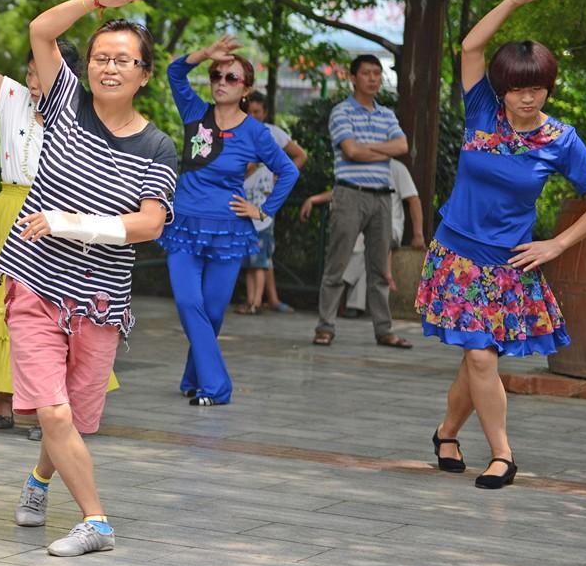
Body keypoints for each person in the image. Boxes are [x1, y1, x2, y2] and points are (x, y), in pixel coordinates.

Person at [0, 0, 177, 557]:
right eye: (101, 58)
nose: (109, 68)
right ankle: (96, 522)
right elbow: (42, 32)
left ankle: (38, 481)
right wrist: (100, 1)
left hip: (99, 300)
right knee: (51, 408)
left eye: (123, 60)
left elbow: (149, 225)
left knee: (69, 413)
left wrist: (70, 223)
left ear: (144, 74)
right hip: (34, 282)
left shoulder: (158, 147)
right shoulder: (64, 101)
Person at [418, 0, 586, 489]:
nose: (526, 96)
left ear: (548, 87)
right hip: (455, 253)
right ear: (502, 88)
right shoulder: (481, 111)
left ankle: (447, 432)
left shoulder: (560, 140)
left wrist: (558, 244)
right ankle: (502, 454)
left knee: (479, 354)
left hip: (507, 264)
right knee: (479, 353)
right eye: (517, 87)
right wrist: (517, 1)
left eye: (536, 87)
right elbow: (470, 47)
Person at [0, 0, 118, 439]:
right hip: (9, 208)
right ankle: (6, 399)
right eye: (30, 72)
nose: (33, 81)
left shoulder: (85, 115)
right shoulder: (12, 99)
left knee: (51, 304)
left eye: (42, 73)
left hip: (59, 212)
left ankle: (52, 406)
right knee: (4, 303)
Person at [160, 38, 299, 406]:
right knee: (190, 303)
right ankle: (217, 387)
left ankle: (195, 377)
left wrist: (264, 210)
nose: (221, 81)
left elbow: (287, 171)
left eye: (231, 77)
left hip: (229, 231)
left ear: (246, 88)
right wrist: (205, 53)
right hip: (185, 227)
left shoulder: (256, 132)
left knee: (214, 310)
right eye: (216, 75)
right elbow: (175, 72)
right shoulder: (194, 112)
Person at [312, 55, 412, 348]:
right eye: (366, 73)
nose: (372, 79)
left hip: (382, 197)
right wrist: (382, 150)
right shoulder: (341, 112)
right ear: (352, 78)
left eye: (377, 74)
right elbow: (350, 152)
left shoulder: (387, 115)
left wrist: (365, 147)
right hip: (349, 194)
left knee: (380, 269)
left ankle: (384, 330)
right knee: (337, 263)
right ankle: (325, 326)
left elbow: (403, 146)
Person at [300, 158, 424, 317]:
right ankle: (354, 304)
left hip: (389, 225)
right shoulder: (360, 167)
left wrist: (418, 234)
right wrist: (312, 199)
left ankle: (340, 281)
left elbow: (413, 199)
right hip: (363, 225)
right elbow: (340, 191)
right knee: (359, 244)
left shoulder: (397, 168)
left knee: (371, 243)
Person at [236, 91, 307, 315]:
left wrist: (280, 179)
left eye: (258, 111)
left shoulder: (274, 133)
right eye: (250, 111)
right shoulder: (238, 133)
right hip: (244, 202)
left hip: (264, 203)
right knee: (253, 255)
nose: (254, 116)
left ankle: (261, 301)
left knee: (262, 252)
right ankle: (261, 300)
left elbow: (300, 156)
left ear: (265, 112)